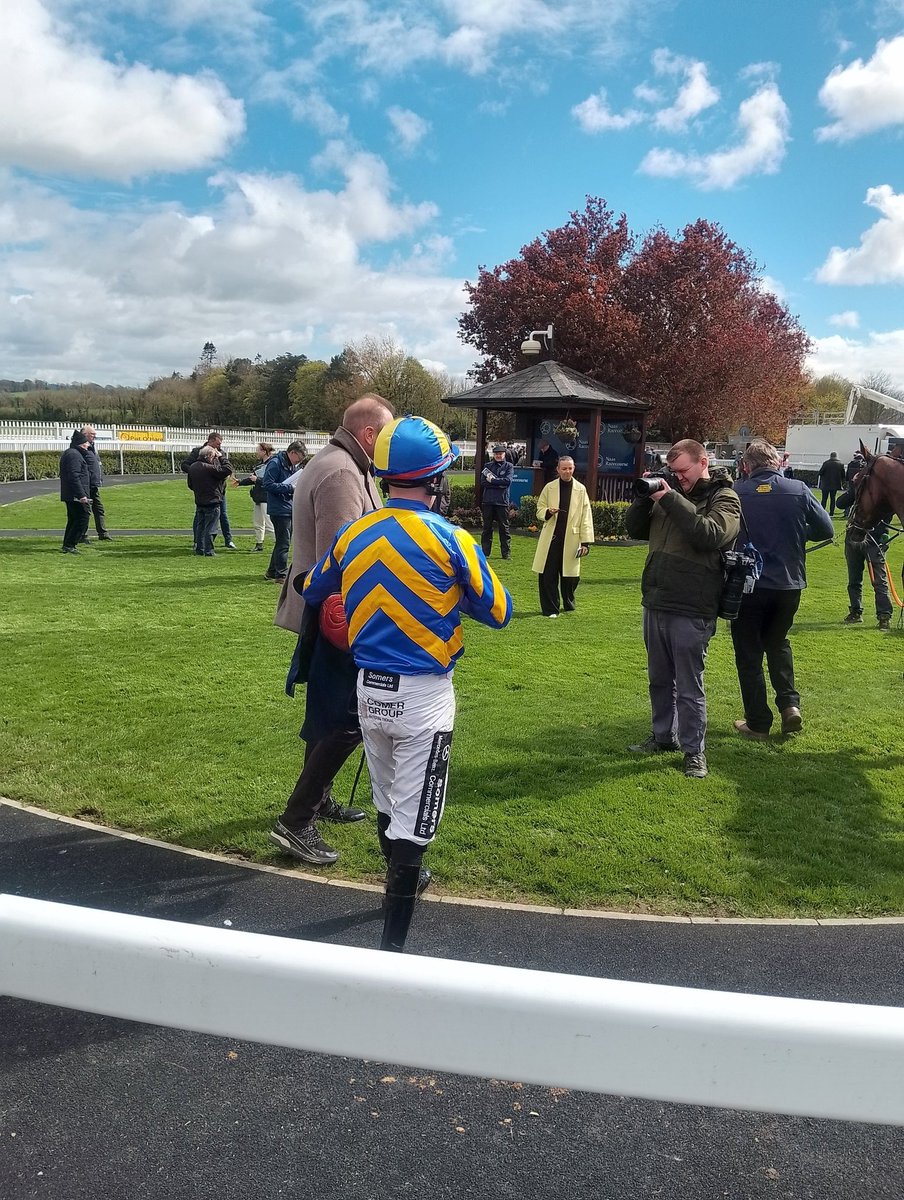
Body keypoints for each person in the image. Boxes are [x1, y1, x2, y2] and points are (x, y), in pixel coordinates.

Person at [301, 416, 512, 952]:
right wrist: (448, 595)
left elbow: (313, 586)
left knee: (388, 795)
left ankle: (399, 891)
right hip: (424, 697)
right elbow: (500, 610)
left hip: (368, 691)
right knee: (416, 816)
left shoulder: (355, 532)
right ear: (436, 481)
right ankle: (392, 952)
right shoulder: (451, 537)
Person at [270, 396, 394, 855]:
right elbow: (341, 561)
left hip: (329, 612)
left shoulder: (340, 461)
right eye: (387, 434)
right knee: (346, 719)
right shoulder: (343, 471)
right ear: (367, 435)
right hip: (339, 616)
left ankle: (316, 802)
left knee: (330, 716)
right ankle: (296, 821)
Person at [624, 439, 741, 779]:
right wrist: (644, 496)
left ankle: (694, 752)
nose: (678, 477)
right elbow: (634, 529)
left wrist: (669, 497)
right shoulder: (668, 493)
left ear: (703, 462)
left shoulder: (725, 498)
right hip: (657, 600)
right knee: (659, 680)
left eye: (683, 471)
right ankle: (663, 737)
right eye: (673, 472)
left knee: (689, 686)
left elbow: (709, 535)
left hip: (693, 605)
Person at [730, 441, 835, 739]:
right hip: (789, 583)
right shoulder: (799, 489)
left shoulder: (737, 492)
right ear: (776, 462)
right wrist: (797, 535)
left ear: (746, 466)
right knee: (778, 643)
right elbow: (825, 530)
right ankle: (790, 706)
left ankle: (758, 722)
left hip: (748, 584)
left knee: (749, 652)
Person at [532, 457, 594, 617]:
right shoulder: (549, 487)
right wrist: (547, 512)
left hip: (572, 539)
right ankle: (550, 609)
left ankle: (568, 601)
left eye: (570, 468)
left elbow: (586, 517)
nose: (567, 471)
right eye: (564, 469)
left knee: (571, 576)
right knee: (548, 575)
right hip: (551, 539)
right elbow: (539, 509)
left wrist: (586, 543)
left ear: (574, 469)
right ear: (558, 470)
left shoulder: (581, 490)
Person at [181, 433, 237, 551]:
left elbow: (227, 470)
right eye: (218, 443)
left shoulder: (220, 452)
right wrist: (199, 474)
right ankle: (199, 543)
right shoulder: (198, 452)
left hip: (219, 489)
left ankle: (228, 539)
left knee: (223, 515)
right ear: (210, 441)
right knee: (202, 518)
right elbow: (184, 465)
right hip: (205, 490)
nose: (219, 446)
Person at [260, 439, 305, 582]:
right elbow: (267, 484)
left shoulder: (288, 465)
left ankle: (272, 571)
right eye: (299, 458)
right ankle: (281, 573)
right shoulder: (275, 463)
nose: (299, 462)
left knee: (282, 541)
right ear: (292, 453)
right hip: (279, 509)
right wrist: (290, 488)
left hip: (286, 507)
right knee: (283, 542)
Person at [842, 521, 893, 631]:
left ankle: (884, 616)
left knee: (879, 581)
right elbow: (841, 503)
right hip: (854, 538)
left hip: (875, 541)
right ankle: (856, 611)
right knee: (854, 578)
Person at [73, 426, 112, 542]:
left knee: (99, 509)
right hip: (85, 485)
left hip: (93, 485)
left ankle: (103, 533)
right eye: (92, 434)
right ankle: (82, 535)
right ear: (85, 435)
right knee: (85, 511)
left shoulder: (92, 447)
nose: (94, 436)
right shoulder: (81, 449)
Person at [237, 442, 275, 551]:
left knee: (269, 523)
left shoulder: (272, 464)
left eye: (258, 450)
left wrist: (257, 480)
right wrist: (240, 482)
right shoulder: (259, 465)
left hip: (266, 497)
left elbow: (271, 481)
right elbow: (252, 479)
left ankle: (278, 544)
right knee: (258, 522)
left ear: (264, 451)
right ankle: (259, 544)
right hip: (258, 496)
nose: (256, 452)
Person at [59, 433, 92, 554]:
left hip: (71, 494)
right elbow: (74, 476)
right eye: (86, 443)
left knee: (73, 519)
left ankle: (68, 544)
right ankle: (70, 544)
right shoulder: (74, 455)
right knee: (82, 517)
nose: (88, 445)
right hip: (75, 495)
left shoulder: (72, 453)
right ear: (82, 443)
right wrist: (81, 495)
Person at [481, 444, 514, 560]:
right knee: (486, 528)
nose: (498, 456)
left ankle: (506, 553)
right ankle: (485, 553)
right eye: (496, 454)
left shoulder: (509, 466)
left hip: (502, 501)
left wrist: (493, 481)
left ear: (504, 454)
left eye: (500, 454)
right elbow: (484, 483)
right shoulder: (487, 466)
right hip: (488, 501)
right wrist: (499, 484)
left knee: (504, 528)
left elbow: (507, 482)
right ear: (493, 455)